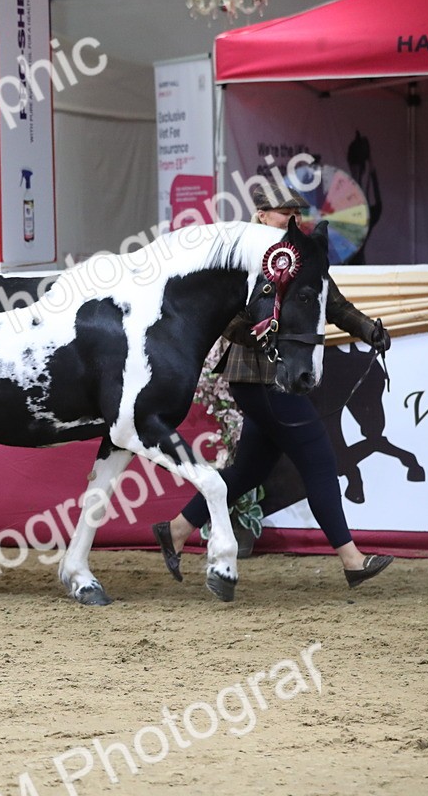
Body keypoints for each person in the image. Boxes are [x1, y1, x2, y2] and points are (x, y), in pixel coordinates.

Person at [152, 183, 394, 589]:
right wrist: (261, 333)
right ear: (262, 215)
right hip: (257, 376)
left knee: (248, 470)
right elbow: (224, 319)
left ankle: (176, 530)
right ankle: (352, 560)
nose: (294, 220)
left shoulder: (301, 257)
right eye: (286, 213)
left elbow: (332, 304)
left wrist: (370, 330)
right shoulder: (243, 256)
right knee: (318, 458)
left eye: (298, 213)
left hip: (273, 381)